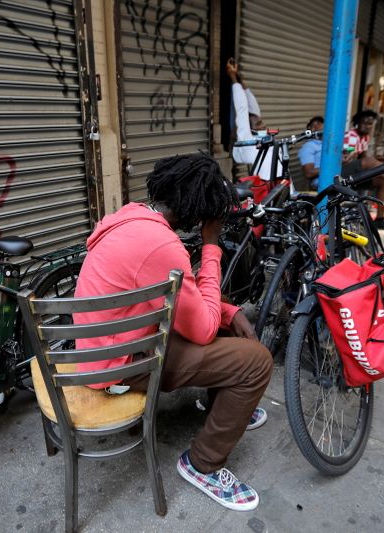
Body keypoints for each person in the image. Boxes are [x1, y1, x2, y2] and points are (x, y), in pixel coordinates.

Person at [73, 153, 274, 511]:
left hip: (104, 345)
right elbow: (203, 328)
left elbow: (189, 297)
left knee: (225, 321)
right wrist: (211, 245)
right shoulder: (163, 246)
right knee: (257, 362)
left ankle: (220, 406)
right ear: (198, 211)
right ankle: (204, 465)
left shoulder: (131, 216)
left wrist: (230, 311)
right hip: (118, 365)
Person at [226, 58, 285, 183]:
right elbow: (242, 108)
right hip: (269, 190)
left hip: (282, 185)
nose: (263, 125)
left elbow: (253, 106)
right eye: (259, 124)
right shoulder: (247, 140)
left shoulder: (262, 139)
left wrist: (239, 77)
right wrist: (233, 78)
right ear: (250, 127)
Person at [298, 116, 324, 190]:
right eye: (313, 126)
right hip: (320, 183)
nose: (317, 127)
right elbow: (308, 173)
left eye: (319, 124)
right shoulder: (308, 146)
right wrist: (332, 166)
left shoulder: (325, 144)